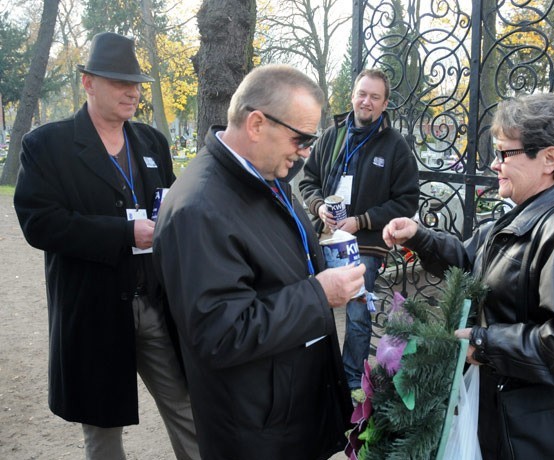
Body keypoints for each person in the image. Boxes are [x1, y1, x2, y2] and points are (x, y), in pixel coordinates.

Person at [382, 93, 554, 459]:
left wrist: (483, 343)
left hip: (535, 424)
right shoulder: (520, 218)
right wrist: (418, 236)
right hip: (508, 408)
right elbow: (467, 260)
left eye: (505, 153)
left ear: (549, 159)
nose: (494, 164)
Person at [152, 64, 366, 460]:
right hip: (255, 427)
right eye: (300, 139)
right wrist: (319, 294)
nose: (305, 153)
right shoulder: (200, 207)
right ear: (255, 124)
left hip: (286, 408)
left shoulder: (262, 176)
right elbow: (219, 332)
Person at [13, 32, 199, 460]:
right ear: (88, 83)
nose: (132, 92)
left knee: (187, 407)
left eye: (135, 83)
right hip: (93, 308)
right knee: (102, 428)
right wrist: (124, 233)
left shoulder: (152, 143)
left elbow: (168, 204)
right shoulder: (47, 146)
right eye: (119, 82)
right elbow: (41, 224)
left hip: (153, 301)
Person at [299, 68, 419, 402]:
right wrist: (319, 205)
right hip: (324, 237)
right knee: (312, 303)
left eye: (374, 97)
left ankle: (351, 378)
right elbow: (308, 181)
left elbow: (407, 201)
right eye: (362, 93)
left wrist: (362, 220)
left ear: (385, 104)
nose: (366, 101)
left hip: (364, 243)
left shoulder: (395, 146)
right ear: (353, 95)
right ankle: (317, 373)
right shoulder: (332, 136)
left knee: (356, 311)